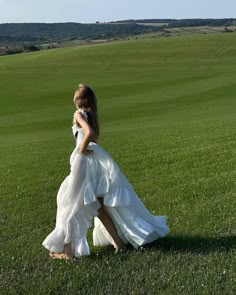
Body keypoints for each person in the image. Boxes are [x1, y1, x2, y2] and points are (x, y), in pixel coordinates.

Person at [42, 83, 170, 259]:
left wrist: (81, 149)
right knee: (100, 207)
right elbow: (93, 134)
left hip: (83, 164)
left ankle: (68, 251)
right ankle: (118, 243)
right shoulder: (91, 115)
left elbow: (89, 133)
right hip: (92, 165)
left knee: (69, 203)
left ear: (77, 100)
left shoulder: (79, 114)